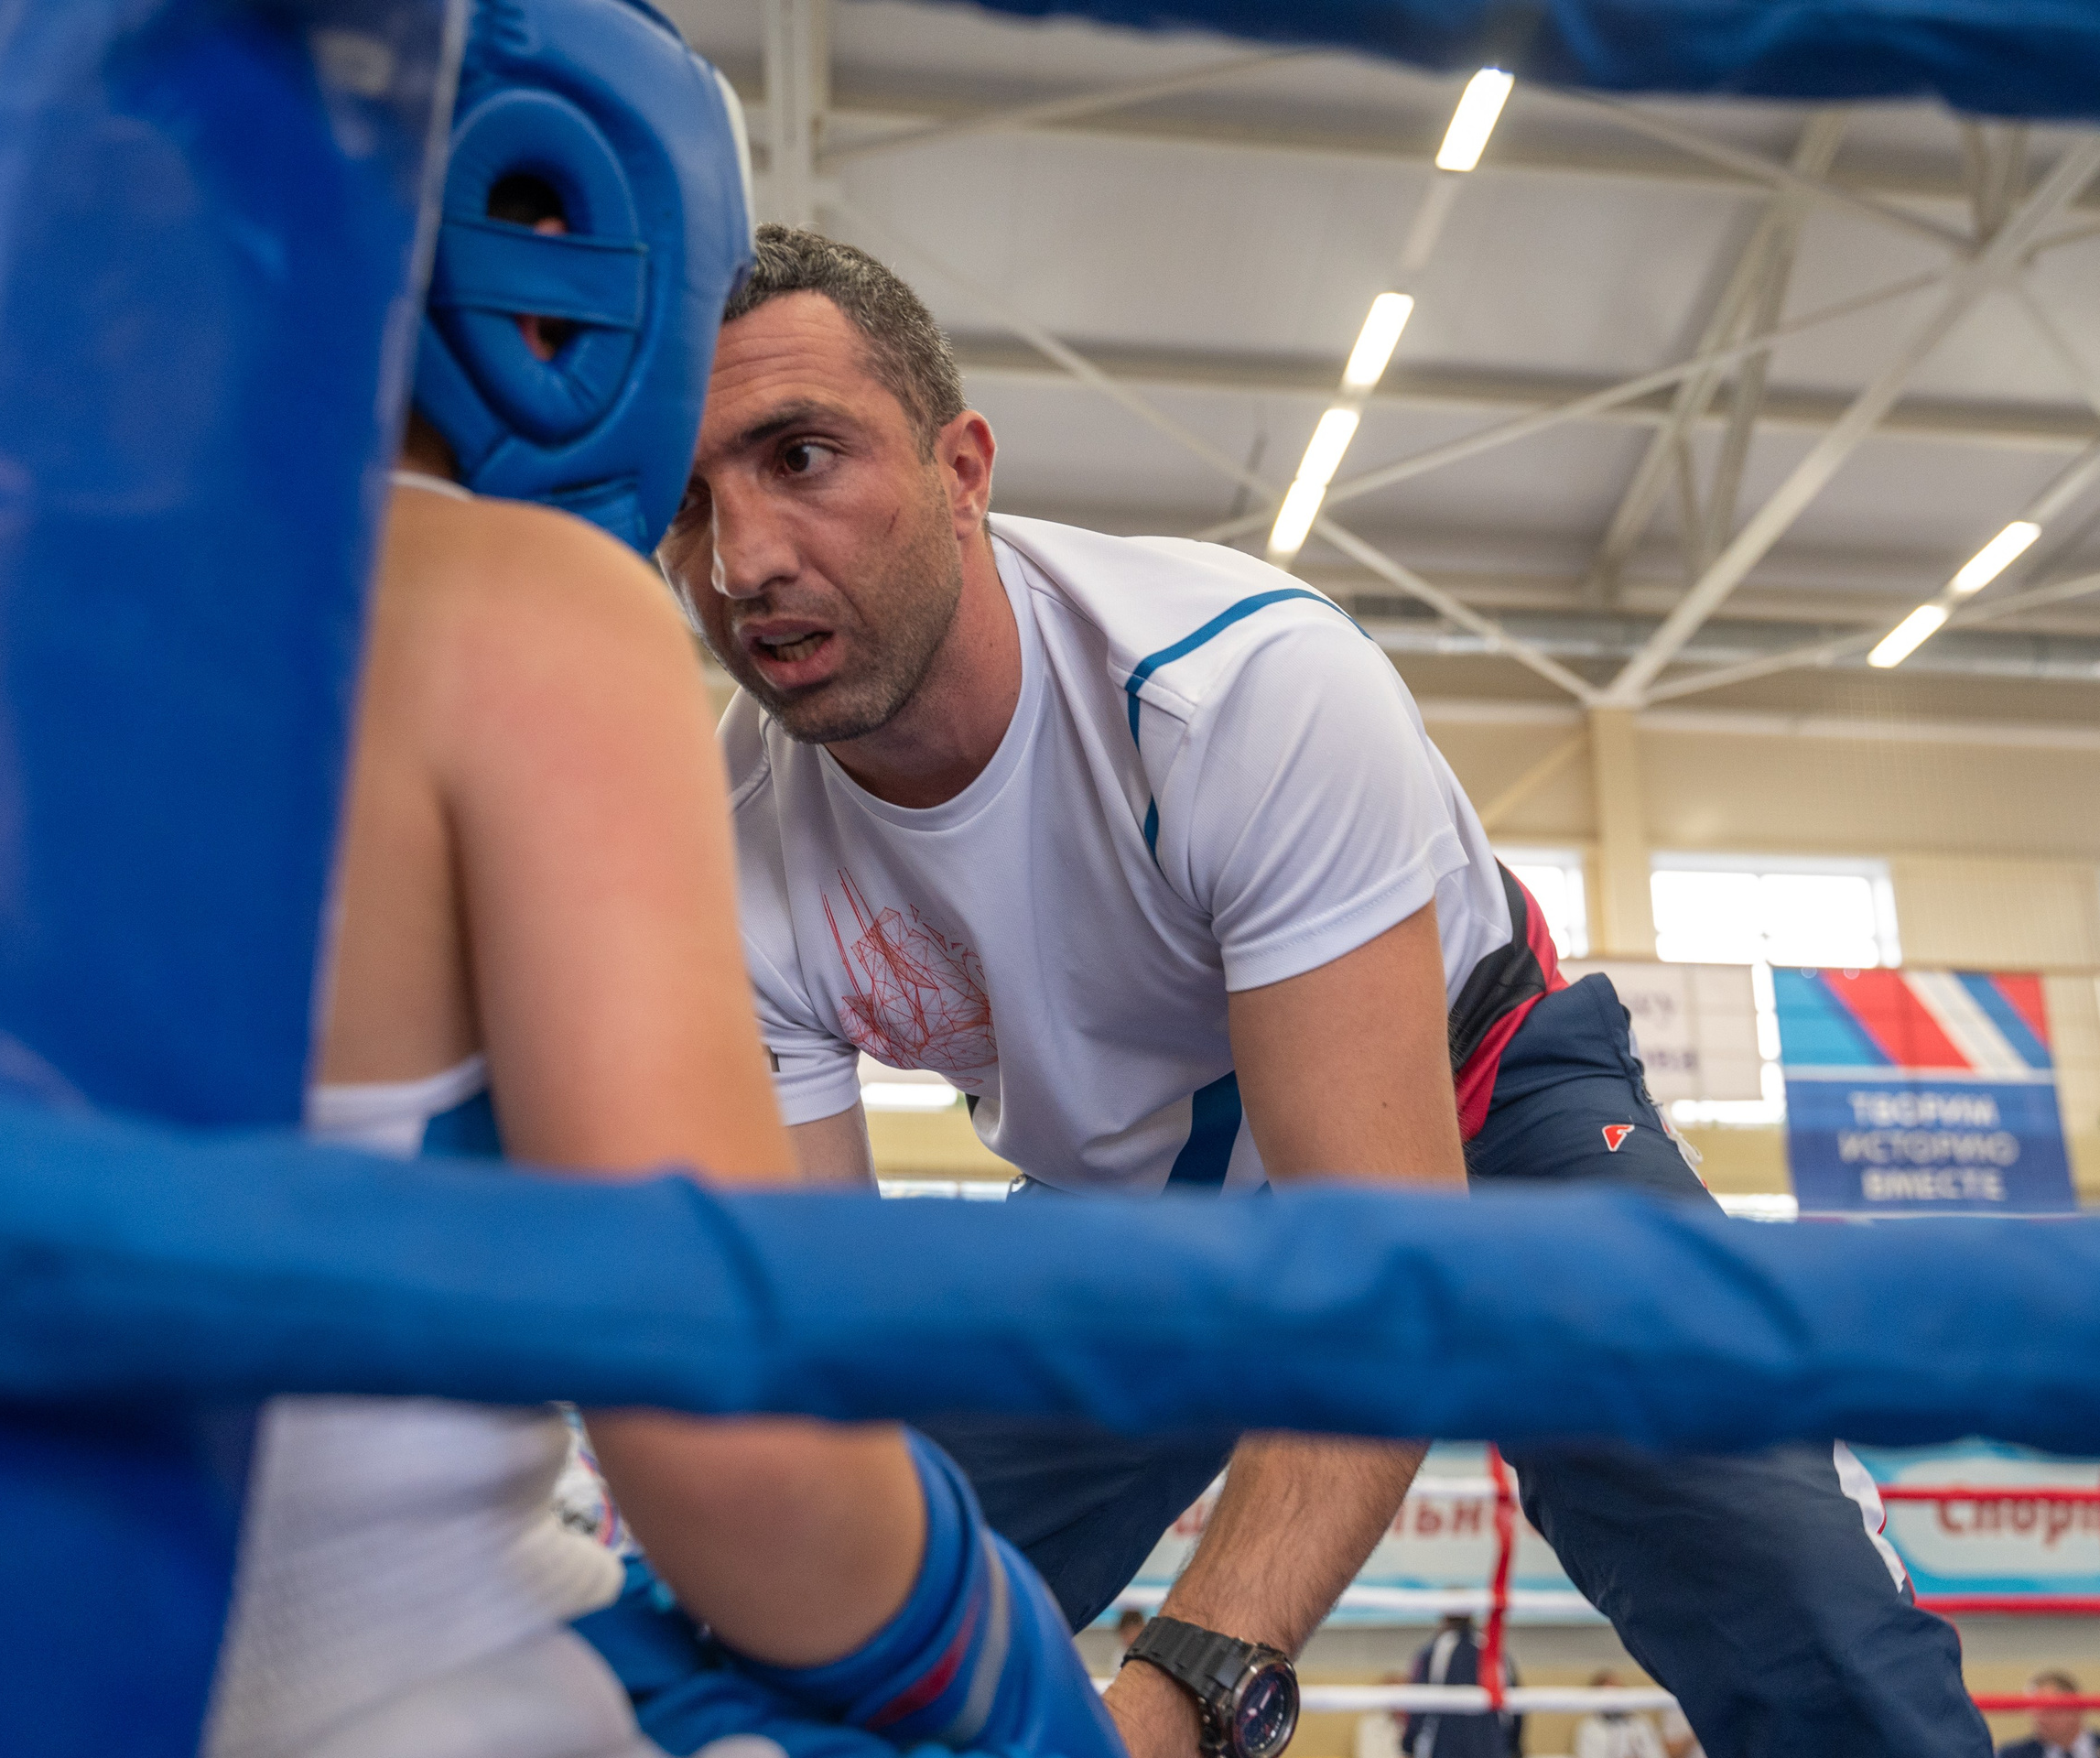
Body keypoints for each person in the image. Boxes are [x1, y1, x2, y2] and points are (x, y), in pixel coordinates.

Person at [662, 222, 1987, 1758]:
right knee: (805, 1639)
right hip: (1136, 1208)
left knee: (1821, 1652)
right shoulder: (730, 853)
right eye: (691, 503)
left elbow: (1380, 1269)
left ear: (964, 469)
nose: (744, 559)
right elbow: (817, 1364)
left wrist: (1181, 1703)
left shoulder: (1243, 692)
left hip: (1476, 1109)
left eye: (802, 457)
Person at [205, 10, 1119, 1758]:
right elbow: (729, 1439)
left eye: (798, 460)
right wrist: (997, 1674)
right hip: (388, 1682)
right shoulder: (523, 606)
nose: (740, 555)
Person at [1402, 1615, 1519, 1758]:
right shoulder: (1495, 1651)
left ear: (1445, 1617)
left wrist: (1408, 1746)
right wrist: (1515, 1747)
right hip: (1492, 1748)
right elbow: (1515, 1707)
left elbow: (1417, 1706)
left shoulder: (1432, 1653)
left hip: (1444, 1749)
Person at [1994, 1671, 2100, 1758]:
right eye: (2033, 1710)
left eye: (2048, 1710)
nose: (2039, 1719)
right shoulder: (2013, 1755)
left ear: (2076, 1709)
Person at [1571, 1672, 1664, 1758]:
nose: (1614, 1700)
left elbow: (1657, 1755)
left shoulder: (1641, 1724)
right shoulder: (1589, 1727)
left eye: (1618, 1692)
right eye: (1609, 1695)